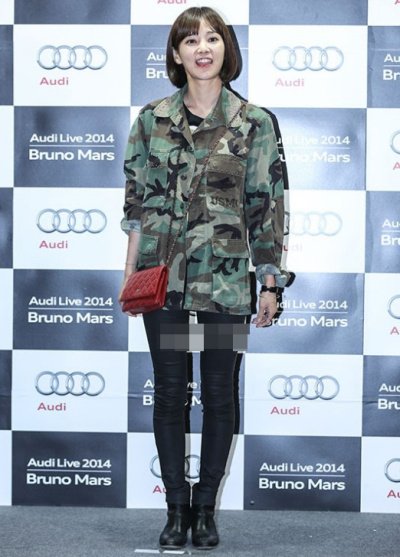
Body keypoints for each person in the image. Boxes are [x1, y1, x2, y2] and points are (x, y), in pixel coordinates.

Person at [120, 6, 287, 550]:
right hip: (164, 281)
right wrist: (131, 275)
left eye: (212, 38)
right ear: (176, 54)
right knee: (170, 393)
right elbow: (137, 207)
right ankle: (175, 510)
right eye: (190, 40)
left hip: (226, 281)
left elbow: (267, 208)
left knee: (218, 394)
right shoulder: (151, 119)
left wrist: (269, 282)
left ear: (225, 49)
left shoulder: (255, 122)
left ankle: (205, 509)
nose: (202, 48)